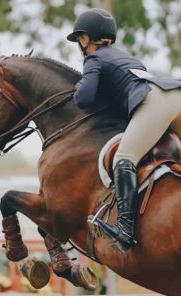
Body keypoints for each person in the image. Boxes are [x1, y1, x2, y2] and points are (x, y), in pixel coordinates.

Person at [67, 8, 181, 251]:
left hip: (156, 101)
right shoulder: (124, 57)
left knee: (124, 157)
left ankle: (125, 229)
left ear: (86, 38)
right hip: (175, 95)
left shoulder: (94, 58)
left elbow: (84, 98)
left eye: (79, 38)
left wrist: (78, 85)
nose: (79, 44)